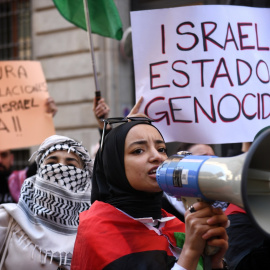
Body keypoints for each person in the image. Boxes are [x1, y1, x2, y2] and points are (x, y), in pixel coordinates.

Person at [71, 119, 228, 270]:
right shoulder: (98, 229)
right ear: (114, 166)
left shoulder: (174, 224)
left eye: (161, 149)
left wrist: (213, 263)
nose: (157, 157)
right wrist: (191, 253)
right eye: (138, 151)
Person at [0, 134, 92, 269]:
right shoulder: (8, 221)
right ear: (39, 172)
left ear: (84, 178)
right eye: (51, 163)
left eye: (71, 164)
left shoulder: (95, 230)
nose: (59, 169)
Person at [0, 97, 58, 204]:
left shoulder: (22, 181)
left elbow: (44, 161)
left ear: (12, 158)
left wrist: (47, 122)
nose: (0, 160)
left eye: (4, 155)